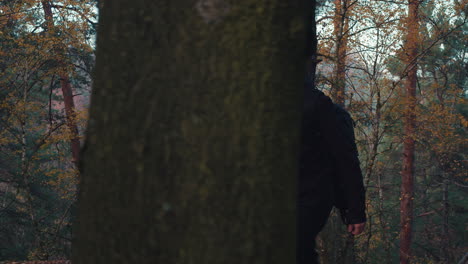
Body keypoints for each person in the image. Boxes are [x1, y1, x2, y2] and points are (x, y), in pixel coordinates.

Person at [297, 86, 367, 264]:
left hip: (309, 198)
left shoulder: (320, 105)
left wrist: (354, 210)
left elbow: (345, 159)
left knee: (298, 249)